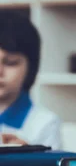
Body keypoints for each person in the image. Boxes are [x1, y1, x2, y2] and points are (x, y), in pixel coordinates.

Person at [0, 11, 61, 149]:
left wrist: (29, 157)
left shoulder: (45, 123)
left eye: (10, 62)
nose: (0, 71)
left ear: (31, 68)